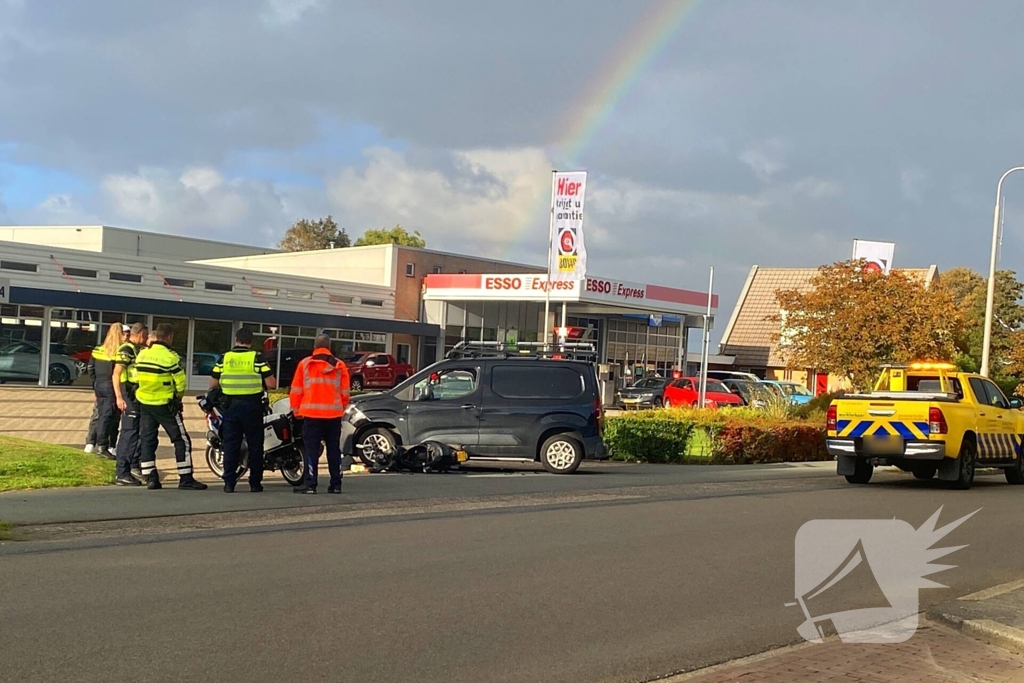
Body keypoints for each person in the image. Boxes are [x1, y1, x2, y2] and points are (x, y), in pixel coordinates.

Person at [135, 323, 207, 491]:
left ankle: (151, 478)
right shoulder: (170, 357)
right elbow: (181, 383)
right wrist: (178, 399)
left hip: (145, 403)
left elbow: (135, 377)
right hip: (165, 404)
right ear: (169, 337)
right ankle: (185, 478)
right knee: (181, 440)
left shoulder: (142, 355)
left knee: (147, 439)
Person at [210, 327, 276, 493]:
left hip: (231, 407)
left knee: (231, 445)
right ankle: (255, 483)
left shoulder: (224, 358)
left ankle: (229, 483)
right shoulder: (257, 358)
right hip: (252, 407)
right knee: (255, 445)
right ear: (251, 342)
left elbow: (213, 384)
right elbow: (271, 384)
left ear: (236, 340)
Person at [289, 334, 350, 494]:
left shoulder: (305, 364)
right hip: (333, 415)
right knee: (334, 449)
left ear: (315, 347)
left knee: (311, 450)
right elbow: (345, 392)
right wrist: (340, 407)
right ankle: (336, 484)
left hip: (311, 414)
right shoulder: (339, 365)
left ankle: (311, 484)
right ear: (329, 347)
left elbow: (296, 390)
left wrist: (296, 410)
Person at [84, 323, 130, 455]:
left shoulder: (99, 348)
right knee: (110, 416)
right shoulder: (120, 351)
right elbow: (117, 372)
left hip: (99, 385)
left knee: (99, 415)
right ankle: (104, 445)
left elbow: (91, 368)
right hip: (111, 386)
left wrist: (95, 384)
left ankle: (94, 443)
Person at [113, 322, 148, 486]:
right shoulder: (126, 350)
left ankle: (132, 467)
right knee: (129, 433)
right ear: (140, 334)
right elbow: (116, 374)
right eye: (145, 336)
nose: (146, 339)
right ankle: (122, 473)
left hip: (136, 395)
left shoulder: (137, 350)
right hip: (128, 394)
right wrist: (119, 397)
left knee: (137, 432)